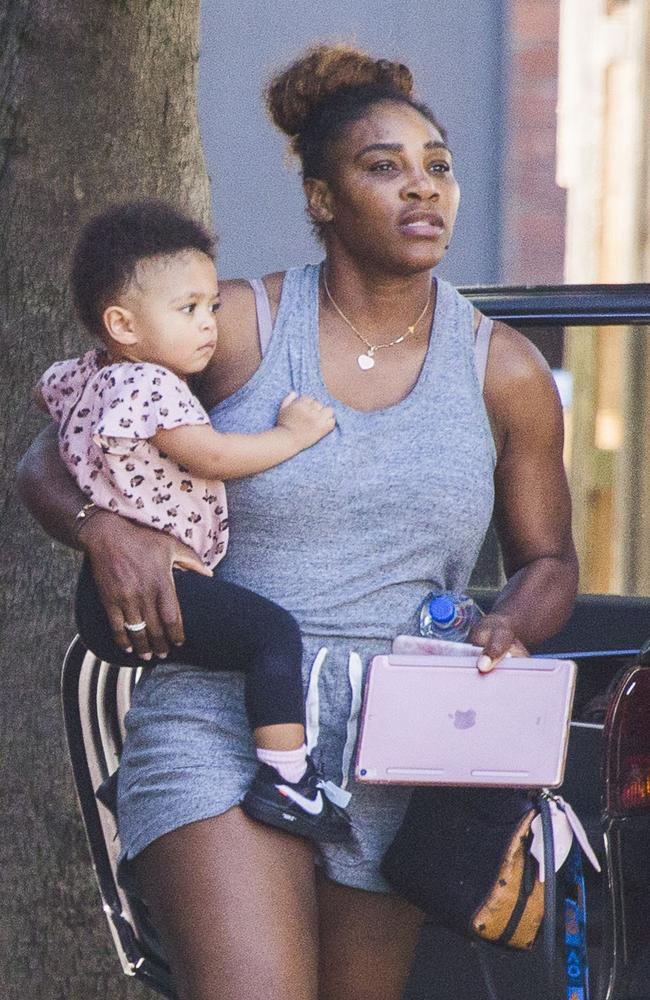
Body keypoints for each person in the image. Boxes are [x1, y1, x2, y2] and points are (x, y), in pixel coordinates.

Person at [18, 43, 579, 1000]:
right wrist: (105, 532)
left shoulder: (507, 370)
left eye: (437, 165)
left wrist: (512, 623)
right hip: (221, 712)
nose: (423, 190)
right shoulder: (233, 327)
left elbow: (551, 561)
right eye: (383, 166)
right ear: (320, 199)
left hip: (402, 740)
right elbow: (48, 456)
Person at [36, 199, 352, 843]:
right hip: (152, 583)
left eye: (212, 305)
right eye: (188, 310)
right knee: (270, 635)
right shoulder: (152, 387)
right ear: (122, 323)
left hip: (109, 590)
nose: (209, 324)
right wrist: (293, 434)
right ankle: (290, 781)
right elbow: (213, 455)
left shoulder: (92, 376)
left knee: (215, 660)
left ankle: (131, 784)